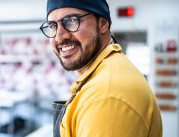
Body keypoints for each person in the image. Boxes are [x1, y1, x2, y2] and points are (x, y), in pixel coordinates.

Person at [39, 0, 162, 137]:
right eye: (52, 26)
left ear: (103, 24)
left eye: (71, 21)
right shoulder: (101, 75)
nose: (59, 36)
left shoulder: (107, 95)